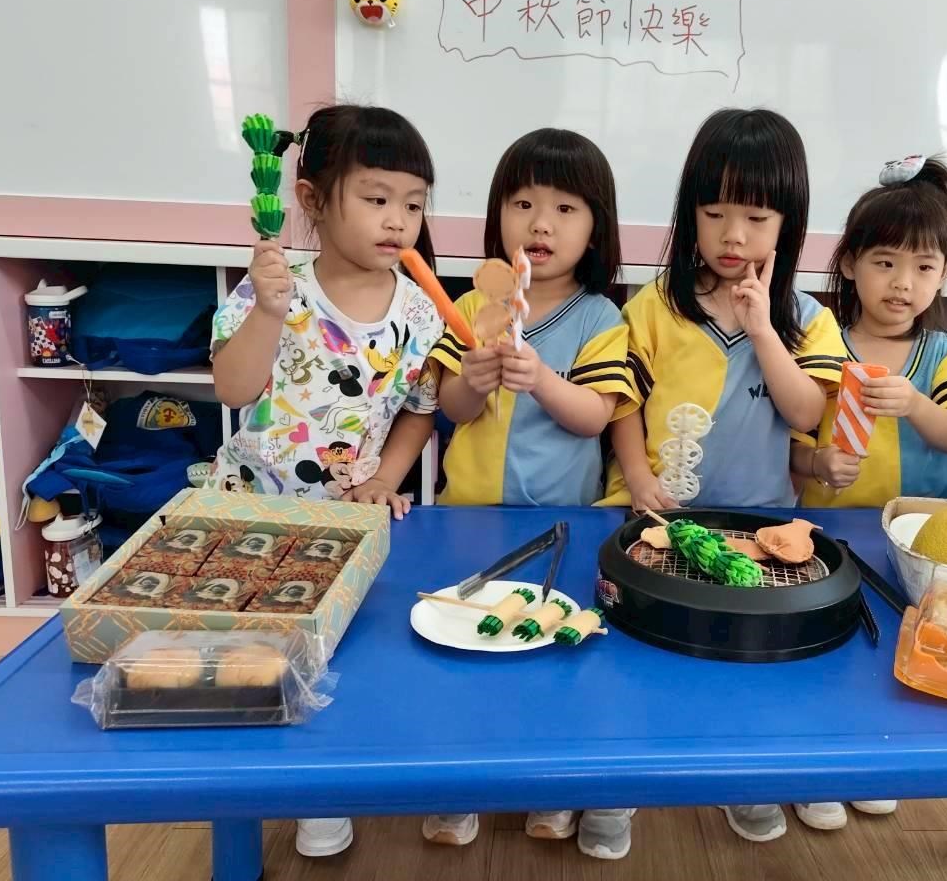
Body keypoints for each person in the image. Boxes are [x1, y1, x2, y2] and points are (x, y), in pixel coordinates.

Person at [602, 107, 847, 846]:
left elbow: (806, 409)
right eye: (714, 214)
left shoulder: (805, 317)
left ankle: (748, 776)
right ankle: (616, 784)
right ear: (690, 215)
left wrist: (764, 328)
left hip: (757, 527)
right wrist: (637, 475)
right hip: (654, 521)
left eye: (756, 218)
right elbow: (622, 401)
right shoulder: (655, 306)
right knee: (634, 657)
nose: (733, 235)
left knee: (748, 666)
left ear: (787, 225)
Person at [207, 104, 446, 859]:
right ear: (311, 199)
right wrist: (269, 311)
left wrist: (388, 478)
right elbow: (232, 388)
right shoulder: (273, 289)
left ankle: (325, 786)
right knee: (253, 659)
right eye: (376, 198)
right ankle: (252, 787)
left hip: (346, 522)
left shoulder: (420, 310)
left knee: (340, 657)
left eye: (413, 204)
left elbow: (420, 410)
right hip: (251, 512)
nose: (398, 221)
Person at [427, 128, 633, 857]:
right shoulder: (472, 305)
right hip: (470, 518)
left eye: (565, 208)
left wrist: (542, 379)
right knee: (467, 646)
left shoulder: (601, 317)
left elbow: (596, 416)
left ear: (595, 229)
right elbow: (450, 410)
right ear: (498, 215)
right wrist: (472, 379)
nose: (541, 223)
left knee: (553, 651)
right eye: (523, 204)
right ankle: (461, 783)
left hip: (562, 524)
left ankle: (554, 782)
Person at [788, 155, 947, 833]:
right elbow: (789, 444)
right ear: (849, 264)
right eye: (885, 263)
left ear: (942, 275)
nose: (904, 283)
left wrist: (914, 404)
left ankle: (875, 764)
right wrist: (817, 461)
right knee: (829, 656)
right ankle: (819, 768)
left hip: (917, 544)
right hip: (828, 538)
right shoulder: (819, 344)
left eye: (924, 267)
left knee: (901, 657)